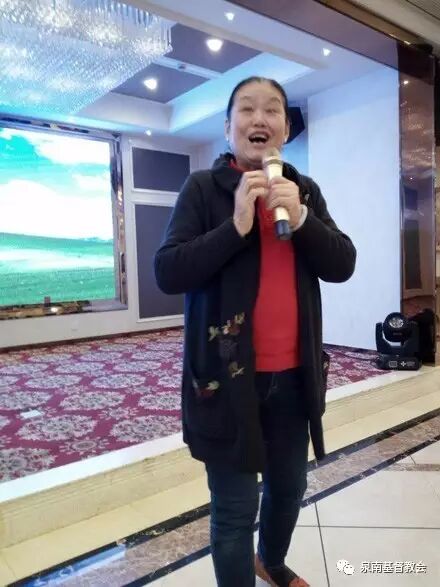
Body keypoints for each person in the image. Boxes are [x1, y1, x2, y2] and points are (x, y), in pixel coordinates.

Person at [154, 76, 356, 587]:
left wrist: (303, 217)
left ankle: (271, 561)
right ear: (228, 128)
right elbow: (168, 272)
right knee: (235, 508)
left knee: (289, 489)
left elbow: (342, 263)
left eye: (272, 110)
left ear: (285, 128)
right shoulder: (203, 189)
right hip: (225, 383)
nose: (259, 119)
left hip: (294, 378)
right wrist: (237, 226)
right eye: (246, 109)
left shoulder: (303, 191)